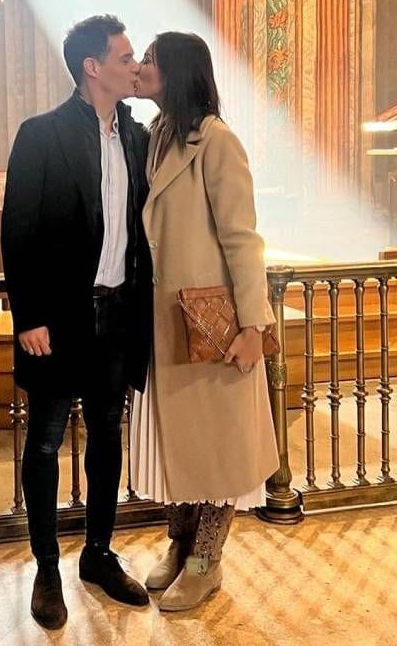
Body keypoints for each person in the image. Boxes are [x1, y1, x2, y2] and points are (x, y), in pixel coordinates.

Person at [1, 15, 153, 630]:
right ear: (92, 67)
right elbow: (19, 229)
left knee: (107, 438)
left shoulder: (137, 137)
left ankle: (97, 553)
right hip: (59, 318)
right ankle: (45, 566)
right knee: (44, 443)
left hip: (117, 313)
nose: (133, 66)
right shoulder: (41, 133)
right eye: (124, 57)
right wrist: (29, 315)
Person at [130, 32, 279, 611]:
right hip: (167, 322)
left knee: (217, 451)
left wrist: (252, 326)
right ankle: (179, 543)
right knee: (180, 445)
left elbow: (243, 240)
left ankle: (206, 562)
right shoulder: (159, 135)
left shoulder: (216, 142)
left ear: (177, 72)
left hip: (212, 325)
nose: (141, 68)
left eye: (150, 60)